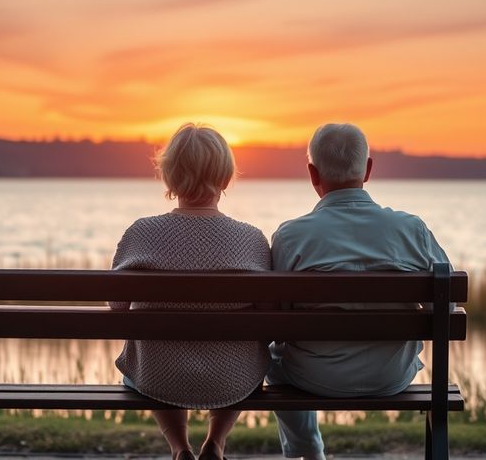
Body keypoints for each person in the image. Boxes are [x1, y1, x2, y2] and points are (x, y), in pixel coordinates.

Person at [268, 123, 451, 460]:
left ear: (313, 174)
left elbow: (277, 316)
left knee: (273, 357)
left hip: (312, 377)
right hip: (391, 377)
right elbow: (447, 304)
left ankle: (308, 451)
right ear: (368, 169)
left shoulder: (291, 237)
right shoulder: (411, 230)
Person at [109, 123, 271, 460]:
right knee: (246, 358)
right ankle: (216, 440)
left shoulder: (142, 234)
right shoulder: (252, 240)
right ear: (226, 178)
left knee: (153, 359)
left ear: (169, 177)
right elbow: (270, 312)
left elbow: (117, 305)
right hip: (232, 379)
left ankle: (179, 446)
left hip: (157, 377)